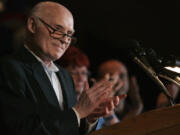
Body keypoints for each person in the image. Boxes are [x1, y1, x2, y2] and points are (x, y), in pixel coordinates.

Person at [0, 1, 121, 135]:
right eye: (58, 30)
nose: (65, 40)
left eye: (69, 34)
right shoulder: (9, 68)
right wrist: (78, 111)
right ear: (32, 25)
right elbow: (22, 129)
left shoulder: (64, 75)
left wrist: (89, 118)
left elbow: (69, 128)